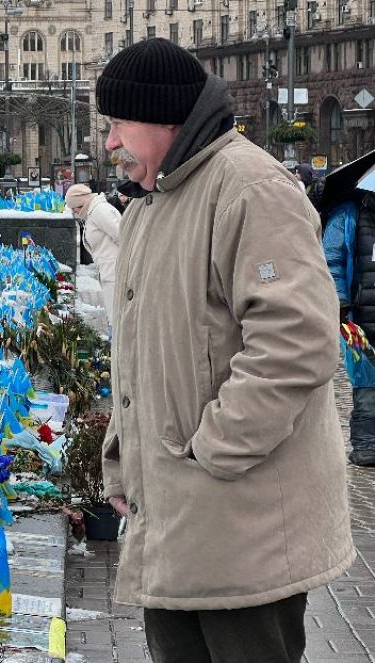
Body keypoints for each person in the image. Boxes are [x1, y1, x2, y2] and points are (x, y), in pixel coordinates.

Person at [97, 38, 352, 663]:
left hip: (241, 532)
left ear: (165, 121)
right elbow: (141, 349)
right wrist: (123, 458)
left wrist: (211, 450)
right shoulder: (153, 205)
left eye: (118, 124)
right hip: (177, 529)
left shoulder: (249, 187)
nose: (109, 144)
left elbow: (296, 344)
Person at [322, 184, 375, 465]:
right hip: (360, 319)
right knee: (367, 383)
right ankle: (367, 446)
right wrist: (339, 303)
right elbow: (331, 260)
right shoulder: (349, 214)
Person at [65, 183, 121, 330]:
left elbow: (122, 235)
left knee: (117, 320)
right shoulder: (93, 212)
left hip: (115, 272)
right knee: (114, 319)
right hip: (109, 271)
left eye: (74, 208)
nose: (74, 212)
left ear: (81, 204)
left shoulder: (99, 211)